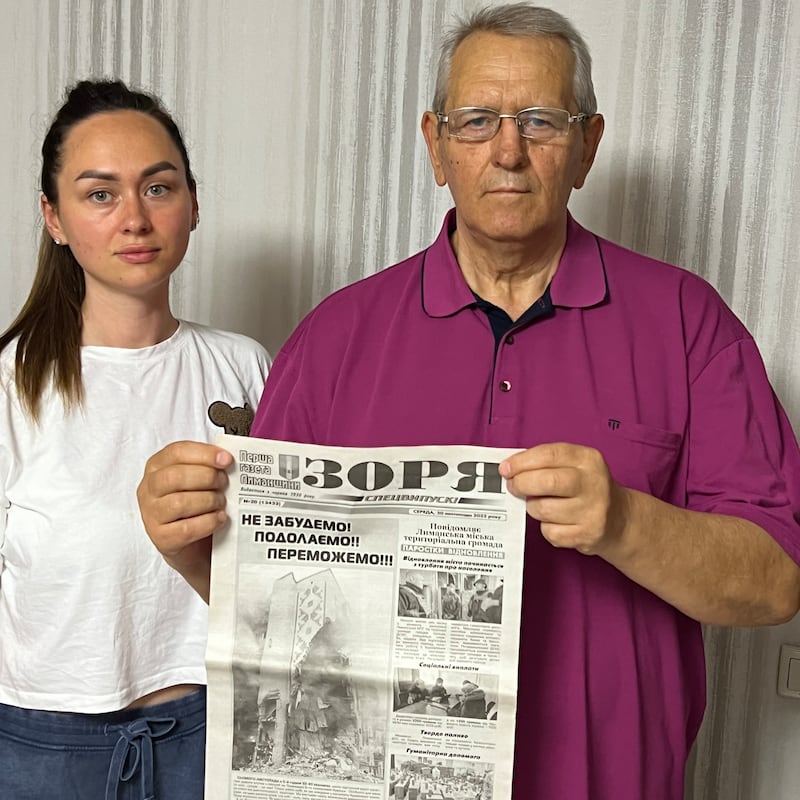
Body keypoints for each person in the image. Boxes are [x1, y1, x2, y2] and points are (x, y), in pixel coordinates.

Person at [136, 4, 800, 798]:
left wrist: (625, 521)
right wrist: (187, 543)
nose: (509, 151)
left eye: (542, 121)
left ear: (586, 145)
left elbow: (775, 582)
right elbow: (279, 596)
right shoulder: (337, 337)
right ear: (437, 145)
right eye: (478, 120)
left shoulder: (689, 322)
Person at [0, 80, 270, 798]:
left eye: (158, 188)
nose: (134, 219)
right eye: (99, 194)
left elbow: (284, 560)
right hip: (41, 745)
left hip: (213, 728)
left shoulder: (247, 368)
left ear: (193, 204)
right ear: (53, 218)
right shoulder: (10, 381)